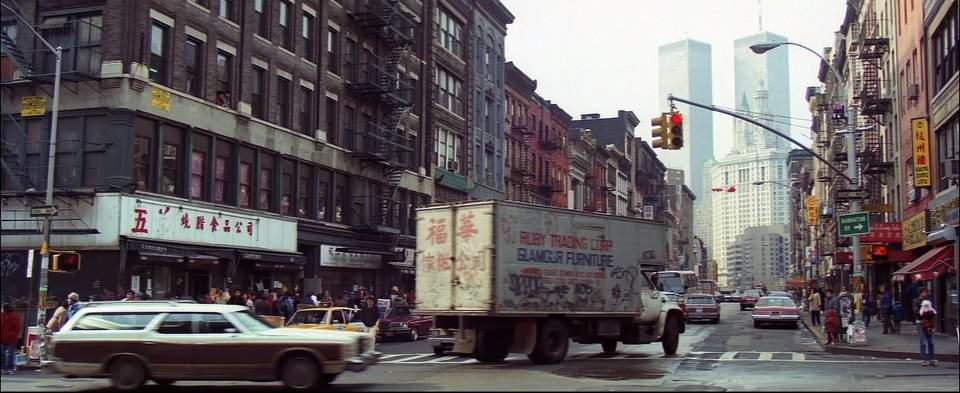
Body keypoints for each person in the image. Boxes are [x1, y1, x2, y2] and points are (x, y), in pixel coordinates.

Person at [1, 304, 23, 375]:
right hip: (2, 338)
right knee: (2, 354)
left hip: (10, 338)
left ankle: (10, 368)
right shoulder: (2, 315)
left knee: (10, 354)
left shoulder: (14, 316)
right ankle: (3, 368)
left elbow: (17, 327)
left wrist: (12, 334)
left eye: (2, 308)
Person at [917, 300, 938, 367]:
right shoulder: (917, 302)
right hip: (921, 324)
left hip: (929, 325)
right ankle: (924, 360)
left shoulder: (929, 306)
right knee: (923, 341)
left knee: (930, 342)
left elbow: (934, 313)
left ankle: (931, 359)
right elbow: (918, 314)